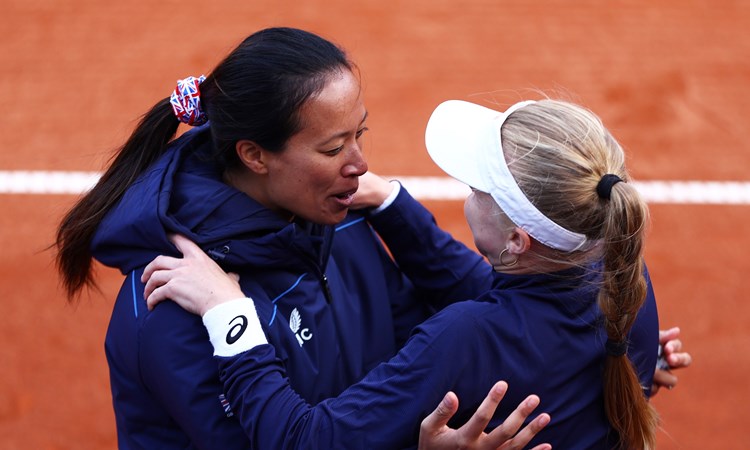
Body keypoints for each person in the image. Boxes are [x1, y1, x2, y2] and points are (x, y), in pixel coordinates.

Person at [54, 27, 546, 449]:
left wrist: (395, 209)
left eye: (360, 133)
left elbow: (426, 345)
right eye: (334, 148)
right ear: (255, 155)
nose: (361, 165)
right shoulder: (170, 301)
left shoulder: (340, 218)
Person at [142, 98, 671, 448]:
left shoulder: (464, 338)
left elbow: (304, 440)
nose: (467, 193)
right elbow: (491, 289)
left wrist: (231, 316)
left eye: (476, 190)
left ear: (517, 240)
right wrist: (392, 202)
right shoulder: (626, 291)